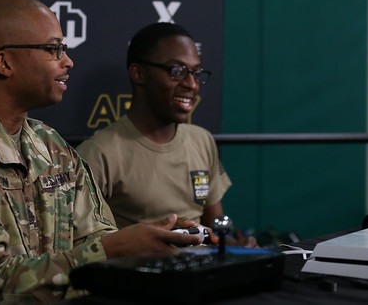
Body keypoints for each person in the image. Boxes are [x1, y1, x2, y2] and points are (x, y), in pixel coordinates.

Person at [0, 0, 202, 304]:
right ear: (4, 62)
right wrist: (111, 251)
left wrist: (141, 242)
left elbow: (92, 237)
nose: (68, 60)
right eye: (53, 49)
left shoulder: (47, 142)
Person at [77, 23, 257, 247]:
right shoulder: (98, 153)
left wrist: (237, 248)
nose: (191, 84)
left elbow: (215, 231)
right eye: (177, 71)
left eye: (196, 73)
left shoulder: (202, 140)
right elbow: (83, 248)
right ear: (138, 73)